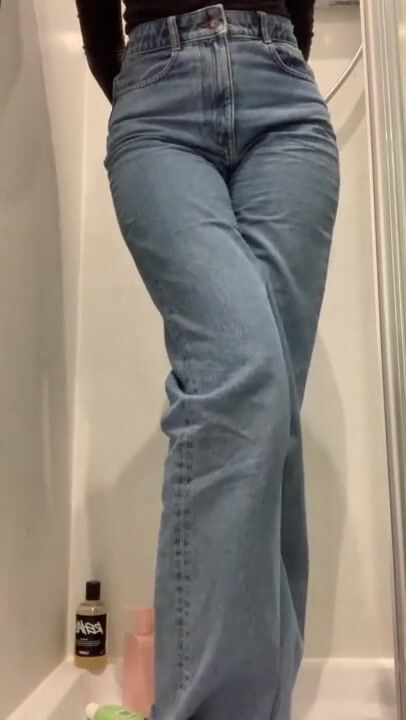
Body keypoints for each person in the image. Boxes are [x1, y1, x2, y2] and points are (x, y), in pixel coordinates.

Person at [76, 2, 339, 719]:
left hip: (285, 100)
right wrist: (135, 77)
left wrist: (280, 46)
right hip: (157, 99)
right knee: (242, 373)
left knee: (273, 416)